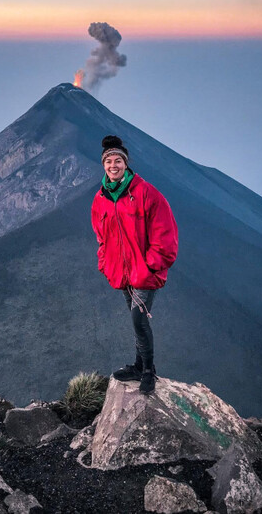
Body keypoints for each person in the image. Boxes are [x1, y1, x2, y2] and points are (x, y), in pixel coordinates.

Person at [91, 135, 178, 394]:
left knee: (139, 321)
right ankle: (139, 365)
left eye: (118, 160)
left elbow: (166, 233)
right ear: (104, 165)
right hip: (122, 274)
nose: (113, 165)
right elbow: (101, 237)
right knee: (135, 321)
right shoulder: (101, 199)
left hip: (143, 272)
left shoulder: (145, 193)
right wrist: (106, 264)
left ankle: (149, 371)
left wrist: (151, 265)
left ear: (126, 164)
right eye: (108, 161)